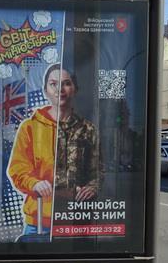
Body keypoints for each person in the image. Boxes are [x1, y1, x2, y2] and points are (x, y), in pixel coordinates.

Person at [7, 63, 101, 236]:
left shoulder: (88, 129)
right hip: (39, 222)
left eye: (66, 83)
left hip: (75, 219)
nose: (60, 89)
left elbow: (97, 171)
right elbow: (18, 170)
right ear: (45, 90)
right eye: (53, 84)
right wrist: (34, 183)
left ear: (75, 89)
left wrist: (93, 186)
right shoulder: (30, 127)